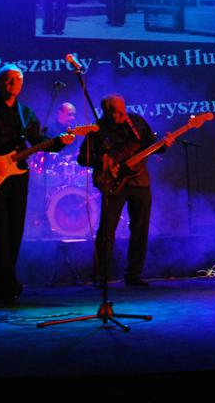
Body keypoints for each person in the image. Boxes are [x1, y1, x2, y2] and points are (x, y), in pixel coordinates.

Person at [0, 64, 74, 301]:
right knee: (0, 228)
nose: (14, 83)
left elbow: (39, 140)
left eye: (18, 79)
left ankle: (7, 282)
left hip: (19, 174)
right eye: (9, 79)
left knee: (15, 229)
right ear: (0, 82)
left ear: (22, 84)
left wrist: (60, 142)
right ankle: (5, 285)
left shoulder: (25, 113)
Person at [78, 94, 170, 286]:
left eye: (123, 110)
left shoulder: (136, 122)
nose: (122, 115)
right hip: (113, 183)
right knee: (107, 229)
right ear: (106, 112)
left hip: (139, 180)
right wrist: (102, 161)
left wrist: (164, 145)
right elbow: (82, 158)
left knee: (140, 229)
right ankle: (101, 275)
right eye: (116, 112)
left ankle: (134, 274)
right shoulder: (97, 130)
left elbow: (152, 146)